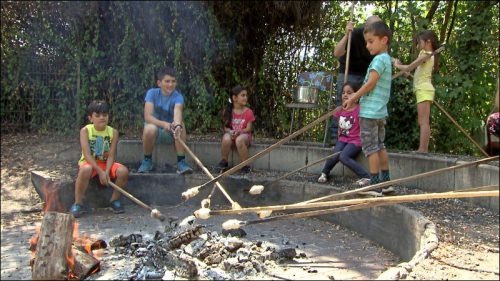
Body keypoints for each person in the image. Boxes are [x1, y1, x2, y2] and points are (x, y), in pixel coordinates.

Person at [343, 21, 394, 195]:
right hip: (379, 113)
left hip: (370, 113)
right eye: (366, 41)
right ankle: (386, 183)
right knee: (380, 147)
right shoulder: (387, 59)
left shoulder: (379, 60)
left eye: (371, 41)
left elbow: (370, 83)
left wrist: (353, 97)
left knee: (371, 148)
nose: (367, 45)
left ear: (384, 40)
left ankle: (374, 185)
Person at [70, 100, 129, 218]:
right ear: (90, 118)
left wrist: (106, 172)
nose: (102, 118)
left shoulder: (113, 132)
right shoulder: (86, 131)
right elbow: (87, 154)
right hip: (90, 162)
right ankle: (78, 203)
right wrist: (100, 172)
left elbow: (112, 155)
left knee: (123, 171)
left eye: (105, 115)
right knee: (86, 169)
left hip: (105, 163)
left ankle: (114, 201)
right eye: (97, 115)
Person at [330, 15, 382, 145]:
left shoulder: (378, 39)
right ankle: (335, 141)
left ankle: (358, 140)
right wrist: (347, 34)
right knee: (342, 105)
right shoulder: (356, 33)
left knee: (363, 107)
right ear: (367, 27)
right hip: (348, 73)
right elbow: (337, 52)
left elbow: (382, 57)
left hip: (366, 75)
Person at [137, 67, 193, 174]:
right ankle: (147, 161)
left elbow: (178, 112)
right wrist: (163, 124)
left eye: (173, 81)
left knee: (180, 125)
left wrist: (176, 126)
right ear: (159, 83)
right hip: (154, 130)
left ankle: (181, 162)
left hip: (171, 131)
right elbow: (147, 116)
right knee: (150, 128)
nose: (170, 84)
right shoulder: (152, 93)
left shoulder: (178, 97)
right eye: (167, 81)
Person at [394, 30, 439, 153]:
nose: (418, 45)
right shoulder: (426, 56)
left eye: (419, 42)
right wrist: (407, 74)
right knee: (422, 121)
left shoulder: (426, 55)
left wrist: (398, 65)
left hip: (424, 90)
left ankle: (423, 149)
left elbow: (409, 67)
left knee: (423, 121)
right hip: (422, 89)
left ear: (427, 42)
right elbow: (416, 73)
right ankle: (422, 148)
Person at [318, 83, 371, 185]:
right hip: (342, 139)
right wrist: (334, 141)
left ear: (356, 94)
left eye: (349, 93)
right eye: (343, 93)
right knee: (335, 154)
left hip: (356, 141)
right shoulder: (340, 110)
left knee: (343, 156)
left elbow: (366, 126)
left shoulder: (360, 109)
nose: (345, 95)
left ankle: (366, 177)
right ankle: (324, 173)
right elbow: (334, 126)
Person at [216, 85, 256, 173]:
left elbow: (248, 129)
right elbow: (226, 128)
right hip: (232, 134)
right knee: (226, 138)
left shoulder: (248, 112)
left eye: (246, 95)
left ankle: (245, 165)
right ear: (234, 98)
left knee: (239, 140)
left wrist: (239, 132)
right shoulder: (228, 110)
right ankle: (224, 161)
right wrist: (231, 132)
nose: (246, 97)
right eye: (243, 95)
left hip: (244, 136)